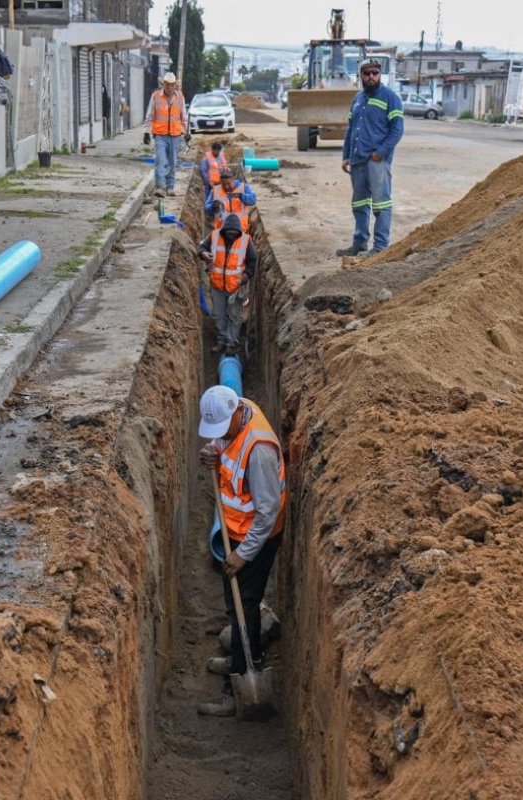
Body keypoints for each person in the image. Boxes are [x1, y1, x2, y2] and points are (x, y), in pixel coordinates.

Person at [195, 385, 286, 717]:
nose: (221, 435)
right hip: (236, 532)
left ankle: (237, 684)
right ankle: (239, 657)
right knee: (235, 605)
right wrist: (214, 450)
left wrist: (243, 554)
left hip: (256, 539)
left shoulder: (260, 451)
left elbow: (268, 512)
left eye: (223, 430)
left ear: (236, 412)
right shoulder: (239, 410)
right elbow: (227, 445)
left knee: (243, 608)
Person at [337, 57, 404, 257]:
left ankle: (380, 247)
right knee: (359, 204)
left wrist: (380, 153)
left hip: (377, 161)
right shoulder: (358, 99)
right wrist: (346, 156)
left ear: (380, 75)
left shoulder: (390, 98)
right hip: (357, 161)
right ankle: (360, 243)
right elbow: (351, 130)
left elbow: (397, 131)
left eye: (375, 73)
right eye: (367, 73)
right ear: (361, 76)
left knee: (381, 204)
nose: (371, 77)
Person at [198, 213, 257, 355]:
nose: (231, 235)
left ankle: (231, 343)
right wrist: (204, 254)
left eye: (234, 233)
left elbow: (252, 261)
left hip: (235, 287)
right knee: (219, 314)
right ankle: (222, 340)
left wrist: (246, 276)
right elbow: (201, 249)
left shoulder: (245, 240)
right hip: (217, 285)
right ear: (224, 231)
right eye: (229, 233)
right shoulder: (214, 236)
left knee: (234, 315)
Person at [145, 72, 187, 198]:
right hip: (160, 135)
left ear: (175, 85)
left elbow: (183, 117)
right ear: (163, 84)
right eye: (167, 85)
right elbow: (149, 116)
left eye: (172, 85)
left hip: (175, 135)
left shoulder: (180, 97)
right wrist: (146, 132)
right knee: (161, 161)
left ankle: (170, 187)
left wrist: (186, 133)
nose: (169, 87)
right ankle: (160, 187)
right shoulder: (156, 96)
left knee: (173, 162)